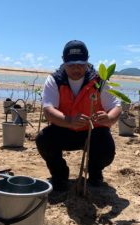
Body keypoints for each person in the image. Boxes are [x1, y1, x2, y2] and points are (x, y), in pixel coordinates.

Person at [36, 40, 122, 192]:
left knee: (106, 148)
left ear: (87, 61)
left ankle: (95, 172)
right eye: (71, 65)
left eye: (81, 65)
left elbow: (116, 106)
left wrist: (109, 118)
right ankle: (60, 175)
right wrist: (69, 121)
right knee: (44, 139)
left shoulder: (99, 81)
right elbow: (48, 110)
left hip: (92, 133)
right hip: (65, 129)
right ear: (63, 62)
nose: (76, 69)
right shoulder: (54, 80)